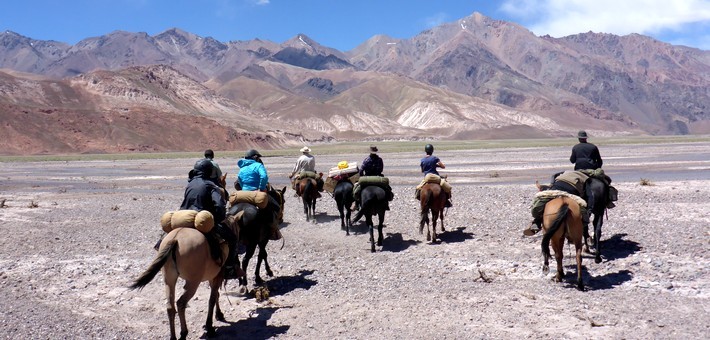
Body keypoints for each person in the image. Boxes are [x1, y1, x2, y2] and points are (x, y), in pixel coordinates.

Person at [180, 159, 242, 279]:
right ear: (209, 172)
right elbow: (219, 205)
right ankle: (229, 268)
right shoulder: (210, 185)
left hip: (186, 216)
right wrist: (219, 218)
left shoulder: (190, 184)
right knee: (232, 239)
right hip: (202, 217)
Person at [523, 170, 590, 236]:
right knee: (582, 208)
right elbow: (587, 194)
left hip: (556, 188)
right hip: (571, 191)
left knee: (543, 204)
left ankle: (537, 222)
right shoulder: (585, 177)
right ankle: (580, 229)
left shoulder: (564, 173)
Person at [236, 149, 281, 240]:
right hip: (257, 193)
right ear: (255, 157)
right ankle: (273, 231)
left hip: (244, 193)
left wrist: (244, 188)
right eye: (258, 157)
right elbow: (264, 177)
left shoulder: (242, 168)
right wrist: (261, 188)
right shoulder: (258, 165)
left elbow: (239, 180)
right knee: (276, 207)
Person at [352, 145, 393, 209]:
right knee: (388, 189)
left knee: (356, 189)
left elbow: (361, 170)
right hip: (378, 178)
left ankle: (356, 204)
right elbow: (381, 169)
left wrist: (362, 177)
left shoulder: (366, 160)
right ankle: (386, 203)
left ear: (370, 152)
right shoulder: (380, 160)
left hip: (367, 178)